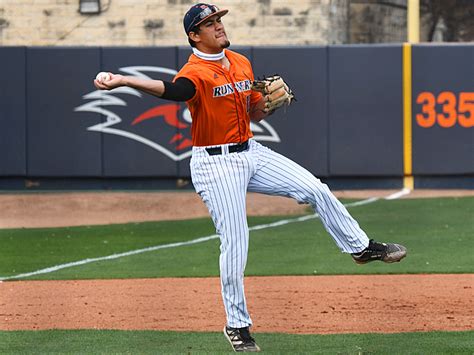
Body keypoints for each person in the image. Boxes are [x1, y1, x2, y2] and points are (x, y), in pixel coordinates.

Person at [94, 3, 407, 352]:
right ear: (194, 36)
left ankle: (360, 249)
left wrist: (267, 104)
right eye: (208, 24)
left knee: (315, 188)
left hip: (250, 151)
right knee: (236, 239)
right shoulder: (195, 71)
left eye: (218, 20)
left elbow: (254, 110)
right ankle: (237, 326)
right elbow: (173, 91)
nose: (218, 26)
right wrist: (123, 80)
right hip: (215, 164)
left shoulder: (241, 62)